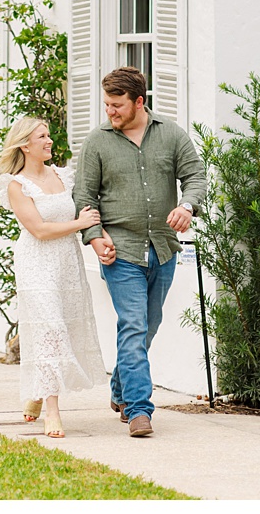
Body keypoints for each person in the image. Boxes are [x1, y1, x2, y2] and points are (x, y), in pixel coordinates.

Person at [71, 66, 209, 438]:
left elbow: (196, 176)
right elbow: (84, 196)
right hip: (120, 249)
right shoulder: (97, 142)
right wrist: (95, 236)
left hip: (163, 247)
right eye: (107, 105)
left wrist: (188, 206)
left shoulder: (172, 135)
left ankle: (120, 388)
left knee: (147, 326)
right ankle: (138, 410)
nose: (110, 112)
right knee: (132, 324)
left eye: (117, 105)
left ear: (139, 102)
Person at [0, 117, 106, 439]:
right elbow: (40, 230)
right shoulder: (16, 185)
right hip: (36, 263)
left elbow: (81, 211)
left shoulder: (62, 175)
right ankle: (53, 412)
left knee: (66, 327)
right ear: (24, 145)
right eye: (41, 137)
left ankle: (37, 392)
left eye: (48, 135)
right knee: (51, 330)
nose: (49, 141)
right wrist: (80, 223)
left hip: (66, 262)